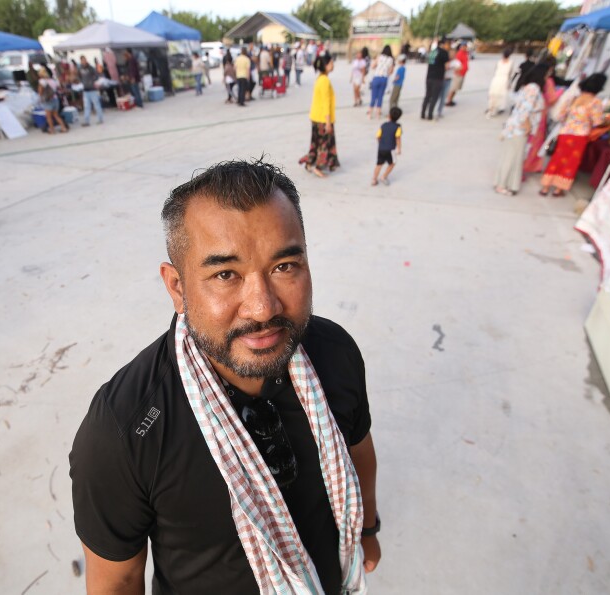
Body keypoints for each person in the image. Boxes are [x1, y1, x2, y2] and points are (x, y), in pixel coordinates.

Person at [70, 159, 381, 594]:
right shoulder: (124, 430)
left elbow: (358, 451)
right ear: (177, 287)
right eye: (225, 275)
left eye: (284, 266)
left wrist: (367, 527)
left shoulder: (334, 353)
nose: (263, 307)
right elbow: (117, 581)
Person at [539, 73, 607, 197]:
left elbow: (560, 116)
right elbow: (598, 121)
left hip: (565, 133)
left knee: (557, 159)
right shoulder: (595, 102)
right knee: (571, 162)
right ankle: (558, 189)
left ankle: (545, 187)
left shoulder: (573, 99)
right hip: (580, 136)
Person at [494, 64, 547, 195]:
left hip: (515, 127)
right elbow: (525, 109)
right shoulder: (533, 89)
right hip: (519, 128)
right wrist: (528, 125)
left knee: (512, 156)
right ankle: (503, 184)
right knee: (512, 157)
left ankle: (505, 183)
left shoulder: (528, 87)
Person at [299, 53, 339, 177]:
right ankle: (319, 167)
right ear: (326, 66)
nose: (333, 65)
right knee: (324, 144)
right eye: (331, 63)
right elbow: (325, 102)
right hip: (322, 118)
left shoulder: (320, 78)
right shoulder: (325, 81)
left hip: (316, 117)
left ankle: (310, 163)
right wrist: (328, 122)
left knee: (316, 142)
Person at [523, 58, 562, 174]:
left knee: (528, 142)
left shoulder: (530, 85)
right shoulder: (544, 84)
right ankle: (530, 165)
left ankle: (525, 165)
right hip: (538, 117)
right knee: (534, 141)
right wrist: (561, 92)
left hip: (530, 118)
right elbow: (552, 98)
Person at [372, 107, 403, 186]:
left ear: (389, 116)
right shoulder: (398, 127)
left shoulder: (383, 125)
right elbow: (398, 138)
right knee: (393, 163)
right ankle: (383, 176)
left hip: (381, 148)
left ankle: (374, 179)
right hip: (391, 149)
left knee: (379, 164)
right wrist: (399, 149)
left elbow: (378, 136)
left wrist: (381, 143)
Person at [421, 38, 450, 120]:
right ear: (444, 44)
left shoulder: (432, 51)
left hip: (429, 76)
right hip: (438, 78)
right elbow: (447, 66)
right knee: (434, 97)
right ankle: (430, 114)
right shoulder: (444, 53)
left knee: (427, 95)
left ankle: (422, 113)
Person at [37, 68, 68, 134]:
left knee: (49, 117)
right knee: (56, 115)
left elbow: (40, 92)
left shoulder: (42, 81)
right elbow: (58, 88)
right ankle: (63, 127)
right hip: (55, 99)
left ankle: (52, 130)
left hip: (48, 100)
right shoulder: (53, 81)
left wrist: (40, 98)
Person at [368, 45, 394, 120]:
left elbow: (373, 66)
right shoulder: (391, 59)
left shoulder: (379, 57)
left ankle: (370, 113)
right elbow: (391, 71)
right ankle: (378, 114)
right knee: (380, 97)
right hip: (384, 78)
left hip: (376, 77)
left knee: (373, 96)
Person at [487, 48, 515, 117]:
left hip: (497, 78)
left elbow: (496, 69)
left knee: (493, 93)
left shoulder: (499, 62)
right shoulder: (511, 62)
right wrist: (510, 82)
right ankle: (500, 107)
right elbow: (511, 73)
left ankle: (492, 107)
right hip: (504, 79)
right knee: (501, 94)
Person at [78, 55, 103, 127]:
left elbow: (96, 76)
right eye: (82, 60)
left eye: (84, 60)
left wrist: (91, 81)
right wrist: (82, 82)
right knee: (87, 106)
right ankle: (87, 121)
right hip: (85, 90)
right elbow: (79, 77)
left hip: (92, 89)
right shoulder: (80, 69)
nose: (84, 61)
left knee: (96, 104)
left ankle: (100, 118)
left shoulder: (91, 68)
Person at [436, 55, 460, 120]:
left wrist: (452, 67)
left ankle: (439, 111)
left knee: (443, 96)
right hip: (440, 80)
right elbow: (445, 68)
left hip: (448, 80)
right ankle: (434, 110)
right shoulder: (444, 60)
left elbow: (460, 67)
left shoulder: (455, 62)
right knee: (437, 96)